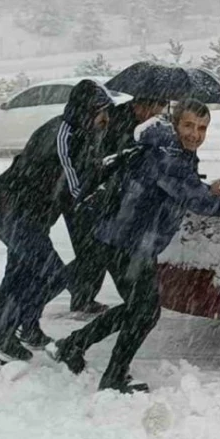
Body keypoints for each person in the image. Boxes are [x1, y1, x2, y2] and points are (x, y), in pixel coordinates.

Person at [49, 99, 220, 393]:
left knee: (139, 309)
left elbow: (180, 188)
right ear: (176, 124)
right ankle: (111, 375)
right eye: (189, 125)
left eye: (202, 128)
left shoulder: (172, 151)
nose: (195, 134)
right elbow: (193, 199)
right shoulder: (168, 155)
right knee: (145, 312)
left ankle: (73, 345)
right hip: (128, 241)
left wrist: (204, 188)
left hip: (125, 238)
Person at [0, 80, 113, 367]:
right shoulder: (62, 135)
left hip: (30, 217)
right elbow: (74, 188)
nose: (105, 118)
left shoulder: (82, 133)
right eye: (101, 112)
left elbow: (81, 175)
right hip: (16, 213)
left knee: (16, 279)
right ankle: (1, 331)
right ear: (87, 109)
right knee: (52, 275)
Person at [66, 97, 171, 315]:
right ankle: (52, 288)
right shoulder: (115, 123)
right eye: (154, 109)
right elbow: (105, 161)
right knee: (95, 254)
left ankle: (82, 297)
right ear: (139, 105)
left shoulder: (138, 124)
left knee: (96, 255)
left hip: (105, 198)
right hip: (91, 198)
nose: (156, 115)